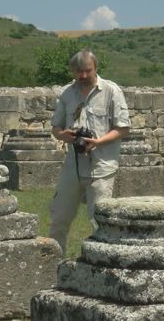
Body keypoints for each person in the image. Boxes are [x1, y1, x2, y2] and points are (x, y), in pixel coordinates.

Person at [49, 49, 130, 255]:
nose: (83, 76)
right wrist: (64, 135)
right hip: (73, 165)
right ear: (72, 71)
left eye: (87, 71)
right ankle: (53, 266)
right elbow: (55, 128)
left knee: (100, 221)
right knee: (58, 217)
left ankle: (102, 264)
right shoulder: (66, 93)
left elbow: (123, 128)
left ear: (96, 68)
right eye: (78, 72)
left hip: (101, 165)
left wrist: (98, 141)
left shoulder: (111, 91)